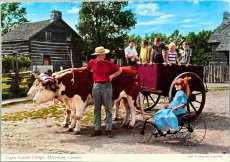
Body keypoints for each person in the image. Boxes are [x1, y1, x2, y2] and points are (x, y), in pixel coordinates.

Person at [86, 46, 122, 138]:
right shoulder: (92, 62)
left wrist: (112, 76)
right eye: (103, 54)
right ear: (99, 55)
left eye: (104, 54)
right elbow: (88, 69)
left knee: (108, 108)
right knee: (96, 109)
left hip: (107, 86)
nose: (104, 55)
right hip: (96, 86)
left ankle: (108, 129)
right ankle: (97, 129)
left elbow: (119, 70)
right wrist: (95, 73)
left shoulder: (108, 63)